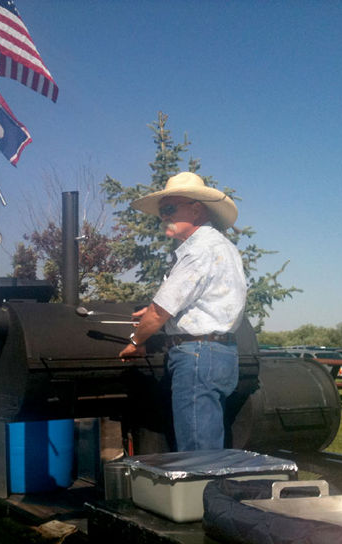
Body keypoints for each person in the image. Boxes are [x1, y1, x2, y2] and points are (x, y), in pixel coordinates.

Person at [119, 172, 247, 451]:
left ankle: (200, 493)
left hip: (197, 356)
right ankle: (211, 491)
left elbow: (159, 312)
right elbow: (206, 300)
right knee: (209, 441)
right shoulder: (224, 247)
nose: (163, 216)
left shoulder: (198, 250)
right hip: (222, 354)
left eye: (169, 209)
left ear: (196, 209)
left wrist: (135, 342)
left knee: (197, 450)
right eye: (162, 211)